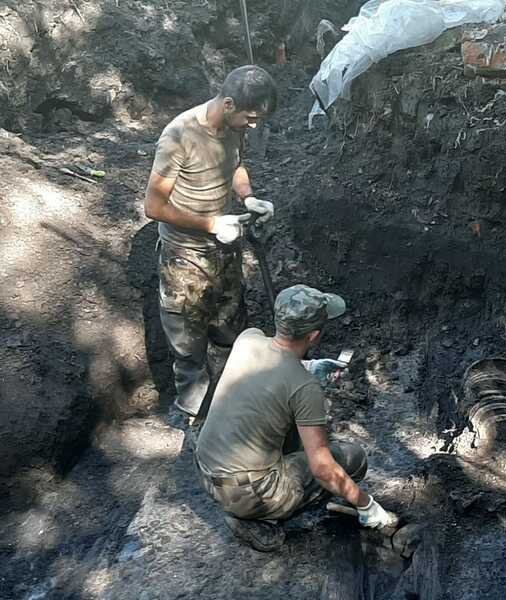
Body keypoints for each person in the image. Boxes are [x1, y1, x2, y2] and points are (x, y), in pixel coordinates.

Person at [194, 284, 395, 551]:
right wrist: (367, 505)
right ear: (312, 336)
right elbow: (323, 470)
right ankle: (254, 518)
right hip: (248, 494)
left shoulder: (248, 339)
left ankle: (251, 505)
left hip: (207, 475)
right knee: (353, 459)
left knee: (289, 426)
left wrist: (309, 367)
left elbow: (270, 371)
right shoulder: (303, 388)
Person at [144, 65, 278, 417]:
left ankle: (238, 402)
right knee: (189, 345)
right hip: (184, 257)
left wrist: (248, 198)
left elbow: (234, 165)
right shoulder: (179, 136)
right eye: (250, 118)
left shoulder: (234, 127)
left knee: (232, 328)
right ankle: (195, 418)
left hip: (224, 247)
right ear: (229, 104)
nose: (253, 125)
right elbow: (153, 206)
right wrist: (210, 223)